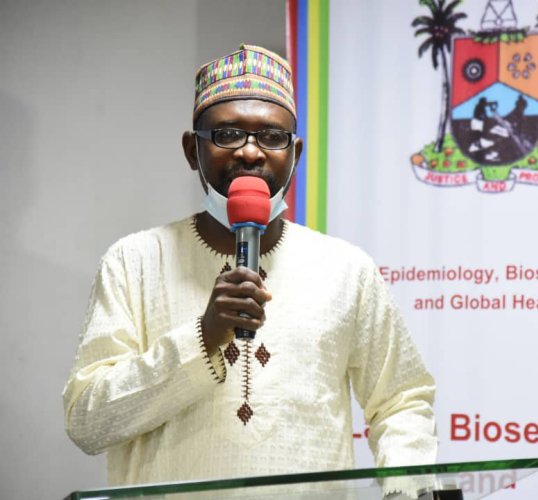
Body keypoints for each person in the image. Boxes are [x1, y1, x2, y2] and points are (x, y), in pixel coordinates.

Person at [62, 44, 437, 488]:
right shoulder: (134, 262)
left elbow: (402, 401)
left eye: (273, 137)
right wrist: (203, 337)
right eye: (227, 134)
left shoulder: (346, 269)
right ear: (192, 150)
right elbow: (88, 421)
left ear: (295, 153)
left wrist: (408, 490)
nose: (251, 152)